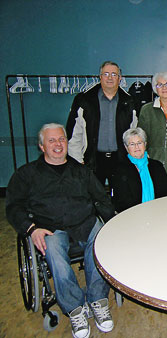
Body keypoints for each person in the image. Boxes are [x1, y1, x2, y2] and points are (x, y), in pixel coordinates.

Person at [6, 123, 115, 338]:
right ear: (41, 146)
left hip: (84, 223)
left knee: (102, 239)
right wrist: (31, 229)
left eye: (62, 139)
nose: (58, 144)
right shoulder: (26, 174)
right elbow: (13, 206)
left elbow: (101, 199)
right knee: (53, 250)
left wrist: (114, 223)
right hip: (50, 229)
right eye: (52, 140)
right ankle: (74, 307)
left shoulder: (81, 171)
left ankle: (97, 300)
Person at [66, 61, 138, 185]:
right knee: (93, 200)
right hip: (92, 160)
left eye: (114, 74)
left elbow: (134, 132)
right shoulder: (84, 100)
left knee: (122, 200)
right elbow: (74, 134)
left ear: (119, 78)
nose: (110, 78)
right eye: (106, 74)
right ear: (100, 77)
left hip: (121, 161)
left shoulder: (130, 102)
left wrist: (134, 160)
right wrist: (78, 161)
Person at [110, 127, 167, 213]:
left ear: (145, 144)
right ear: (126, 147)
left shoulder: (157, 166)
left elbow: (166, 195)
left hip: (158, 212)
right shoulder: (120, 170)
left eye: (139, 143)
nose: (136, 147)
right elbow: (121, 202)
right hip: (132, 215)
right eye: (132, 144)